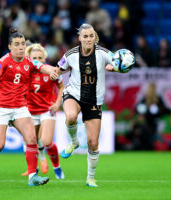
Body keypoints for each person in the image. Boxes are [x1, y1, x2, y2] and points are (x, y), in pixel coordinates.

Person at [0, 28, 55, 187]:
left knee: (31, 138)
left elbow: (43, 67)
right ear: (9, 47)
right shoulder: (4, 61)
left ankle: (32, 177)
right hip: (1, 106)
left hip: (20, 106)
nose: (21, 47)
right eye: (17, 44)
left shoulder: (28, 60)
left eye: (23, 44)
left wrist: (54, 71)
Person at [50, 23, 117, 187]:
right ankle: (73, 142)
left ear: (95, 38)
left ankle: (90, 178)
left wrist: (117, 68)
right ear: (79, 38)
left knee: (93, 142)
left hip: (94, 100)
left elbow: (119, 63)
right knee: (71, 116)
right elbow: (59, 69)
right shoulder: (71, 54)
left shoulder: (103, 53)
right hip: (73, 93)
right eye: (85, 36)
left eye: (91, 36)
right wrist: (54, 73)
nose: (88, 39)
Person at [20, 43, 65, 179]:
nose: (37, 60)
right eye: (34, 58)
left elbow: (62, 87)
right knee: (29, 142)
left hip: (47, 110)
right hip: (30, 111)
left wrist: (58, 103)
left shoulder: (51, 71)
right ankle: (35, 170)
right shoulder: (25, 72)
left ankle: (57, 167)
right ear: (29, 58)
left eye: (40, 58)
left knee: (46, 141)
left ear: (44, 59)